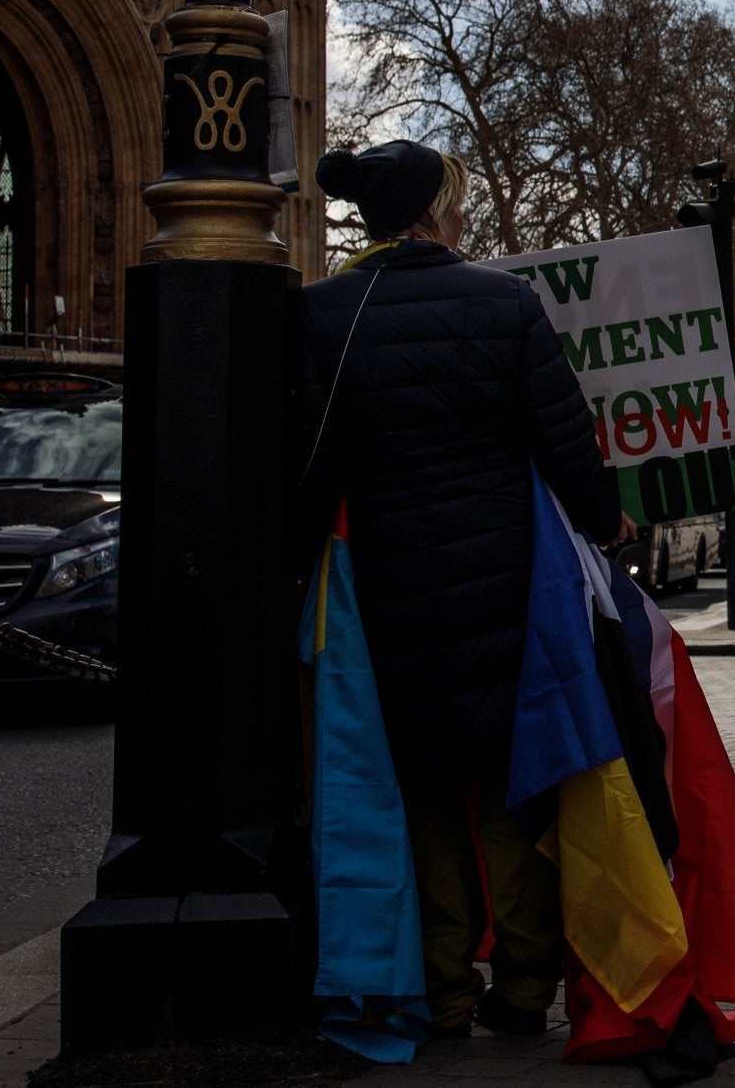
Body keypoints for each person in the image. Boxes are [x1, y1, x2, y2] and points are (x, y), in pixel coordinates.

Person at [295, 140, 626, 1038]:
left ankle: (441, 989)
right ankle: (523, 988)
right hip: (504, 579)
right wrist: (608, 520)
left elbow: (311, 467)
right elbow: (566, 439)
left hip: (390, 588)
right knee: (512, 788)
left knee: (429, 792)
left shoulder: (323, 313)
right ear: (434, 209)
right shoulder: (503, 301)